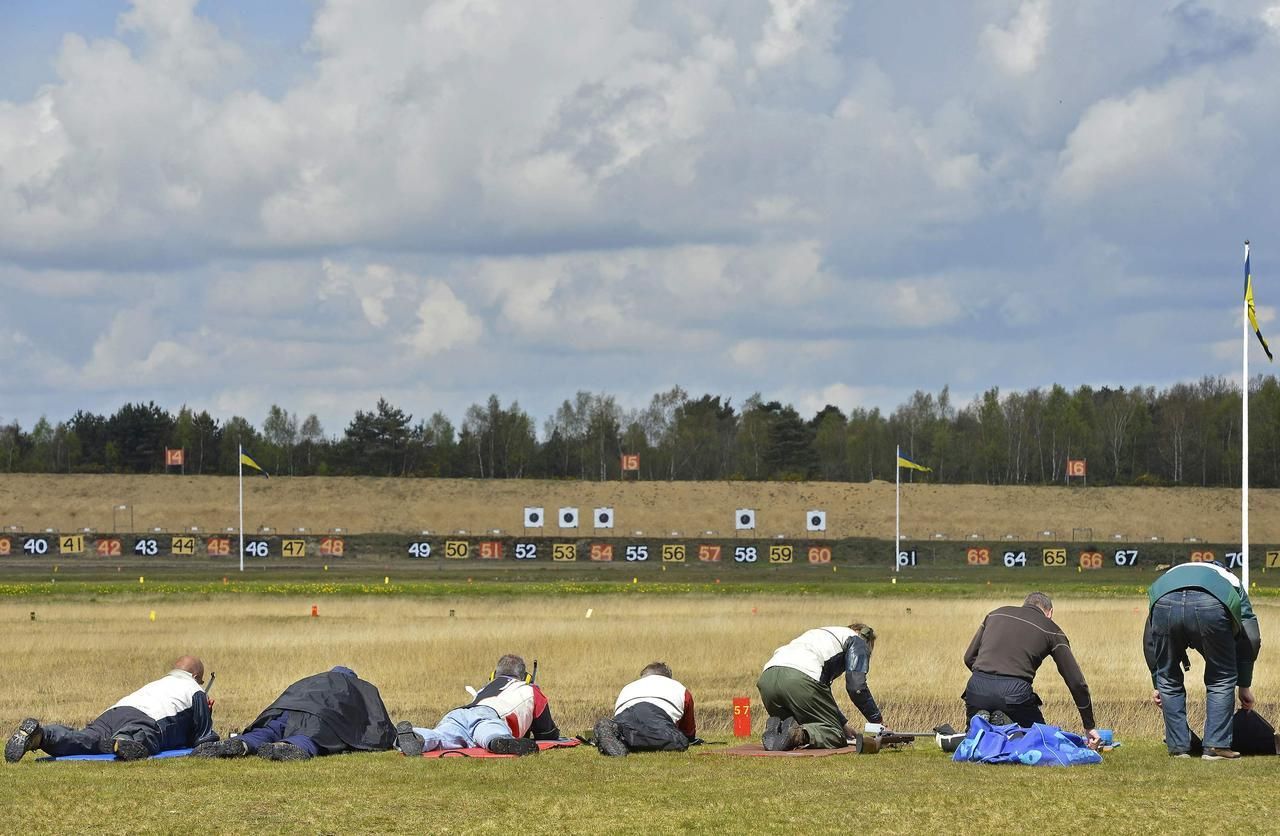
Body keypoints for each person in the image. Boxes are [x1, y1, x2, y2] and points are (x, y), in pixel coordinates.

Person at [1144, 560, 1262, 760]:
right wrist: (1244, 685)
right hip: (1211, 605)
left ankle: (1179, 747)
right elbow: (1251, 637)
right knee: (1222, 676)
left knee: (1168, 677)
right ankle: (1216, 746)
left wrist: (1158, 681)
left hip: (1163, 602)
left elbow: (1149, 641)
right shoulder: (1231, 579)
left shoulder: (1171, 575)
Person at [5, 656, 217, 762]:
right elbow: (203, 740)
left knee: (84, 738)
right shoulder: (194, 689)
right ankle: (124, 742)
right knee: (143, 737)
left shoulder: (158, 683)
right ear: (197, 677)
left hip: (115, 712)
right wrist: (207, 714)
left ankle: (42, 735)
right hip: (145, 720)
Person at [961, 592, 1099, 747]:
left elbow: (968, 658)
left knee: (973, 742)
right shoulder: (1052, 629)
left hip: (976, 689)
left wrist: (988, 682)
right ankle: (1007, 725)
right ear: (1050, 613)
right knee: (1042, 742)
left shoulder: (995, 614)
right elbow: (1076, 682)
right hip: (1014, 693)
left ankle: (989, 725)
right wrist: (1089, 726)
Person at [192, 666, 395, 761]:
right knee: (310, 736)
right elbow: (376, 721)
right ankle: (287, 747)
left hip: (285, 711)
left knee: (268, 731)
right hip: (321, 717)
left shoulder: (312, 679)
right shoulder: (357, 687)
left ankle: (242, 743)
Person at [396, 654, 559, 757]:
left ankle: (418, 736)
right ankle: (500, 742)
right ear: (527, 677)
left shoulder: (486, 688)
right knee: (490, 734)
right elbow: (546, 734)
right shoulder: (531, 690)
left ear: (493, 675)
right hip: (490, 717)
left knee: (441, 736)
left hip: (459, 713)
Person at [756, 623, 882, 750]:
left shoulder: (822, 635)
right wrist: (878, 724)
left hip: (767, 679)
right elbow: (857, 688)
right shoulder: (858, 641)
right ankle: (798, 735)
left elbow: (823, 697)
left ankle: (778, 727)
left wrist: (843, 724)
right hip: (800, 678)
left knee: (793, 725)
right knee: (835, 734)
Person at [593, 662, 696, 757]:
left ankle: (618, 737)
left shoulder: (627, 687)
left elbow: (618, 714)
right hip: (657, 717)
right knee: (680, 741)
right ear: (667, 677)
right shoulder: (680, 688)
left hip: (624, 716)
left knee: (623, 731)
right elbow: (688, 731)